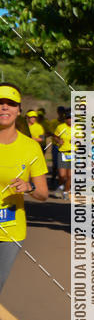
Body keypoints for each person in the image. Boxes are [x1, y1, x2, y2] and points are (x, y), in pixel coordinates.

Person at [0, 84, 48, 292]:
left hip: (11, 229)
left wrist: (29, 187)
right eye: (0, 103)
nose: (4, 107)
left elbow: (43, 194)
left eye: (10, 104)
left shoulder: (31, 147)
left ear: (18, 110)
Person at [53, 109, 73, 199]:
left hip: (73, 153)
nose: (70, 120)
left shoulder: (78, 129)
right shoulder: (60, 127)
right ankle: (60, 186)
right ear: (65, 119)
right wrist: (58, 141)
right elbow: (55, 137)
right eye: (68, 118)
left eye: (72, 118)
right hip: (63, 153)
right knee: (62, 175)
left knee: (70, 176)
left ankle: (66, 192)